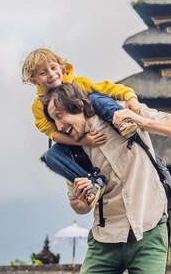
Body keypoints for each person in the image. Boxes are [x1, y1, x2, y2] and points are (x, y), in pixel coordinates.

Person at [41, 83, 171, 274]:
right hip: (105, 240)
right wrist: (84, 197)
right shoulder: (72, 155)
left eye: (60, 115)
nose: (58, 125)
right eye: (53, 120)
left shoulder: (122, 114)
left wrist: (142, 121)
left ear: (79, 106)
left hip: (148, 231)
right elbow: (80, 208)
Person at [21, 47, 141, 181]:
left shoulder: (78, 84)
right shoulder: (38, 106)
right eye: (43, 73)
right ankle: (91, 182)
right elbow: (53, 133)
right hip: (73, 137)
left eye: (53, 68)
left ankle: (123, 123)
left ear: (61, 67)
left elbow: (108, 88)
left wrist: (130, 97)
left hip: (93, 121)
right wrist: (82, 141)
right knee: (51, 156)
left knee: (96, 99)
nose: (51, 74)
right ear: (34, 80)